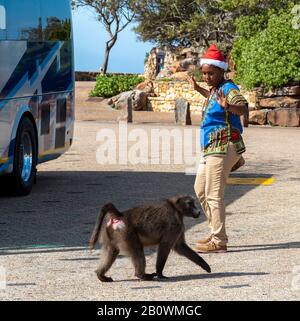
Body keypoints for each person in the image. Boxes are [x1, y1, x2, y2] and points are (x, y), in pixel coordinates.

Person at [187, 43, 248, 253]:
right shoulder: (215, 89)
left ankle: (219, 241)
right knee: (200, 189)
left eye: (211, 73)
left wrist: (228, 107)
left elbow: (242, 107)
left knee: (213, 194)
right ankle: (215, 232)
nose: (206, 77)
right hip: (212, 147)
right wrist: (198, 89)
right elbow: (213, 99)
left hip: (223, 144)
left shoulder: (229, 89)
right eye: (204, 73)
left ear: (221, 70)